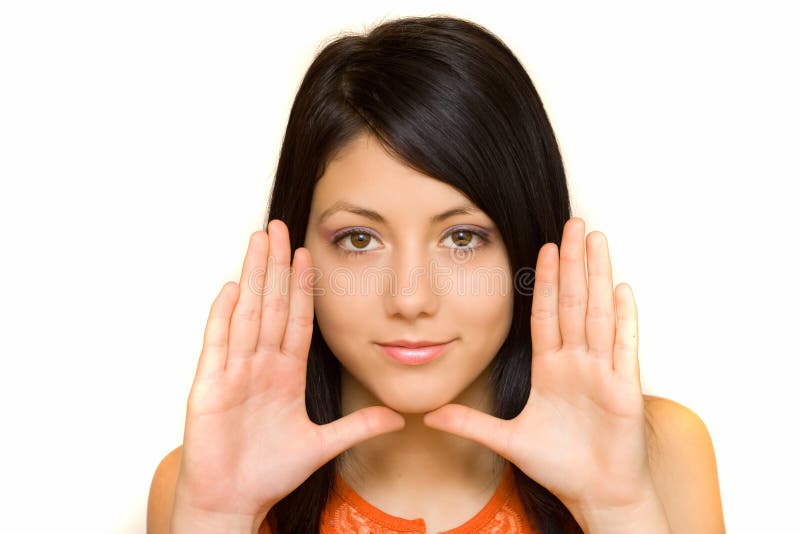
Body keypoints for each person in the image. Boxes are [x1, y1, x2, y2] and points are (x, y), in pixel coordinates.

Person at [147, 15, 725, 534]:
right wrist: (217, 519)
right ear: (298, 250)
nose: (410, 298)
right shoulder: (205, 479)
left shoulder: (659, 452)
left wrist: (618, 510)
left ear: (527, 245)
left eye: (462, 238)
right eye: (358, 239)